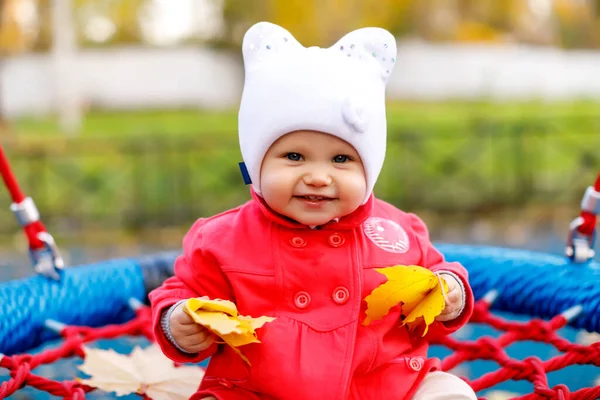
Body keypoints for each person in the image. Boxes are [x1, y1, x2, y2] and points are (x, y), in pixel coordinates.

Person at [150, 21, 477, 400]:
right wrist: (179, 323)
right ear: (256, 165)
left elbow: (432, 299)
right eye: (293, 156)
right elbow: (184, 294)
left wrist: (451, 294)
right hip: (256, 390)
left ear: (369, 171)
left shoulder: (395, 232)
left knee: (449, 392)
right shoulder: (222, 240)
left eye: (341, 159)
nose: (318, 177)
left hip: (384, 387)